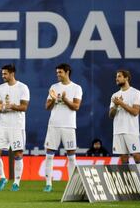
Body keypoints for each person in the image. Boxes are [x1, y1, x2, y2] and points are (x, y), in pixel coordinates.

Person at [108, 70, 140, 195]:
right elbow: (110, 115)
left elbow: (135, 112)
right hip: (118, 131)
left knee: (137, 156)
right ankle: (127, 187)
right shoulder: (114, 95)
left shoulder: (135, 93)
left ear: (126, 78)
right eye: (116, 76)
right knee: (123, 158)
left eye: (119, 76)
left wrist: (121, 103)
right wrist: (115, 106)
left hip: (131, 130)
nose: (117, 79)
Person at [43, 63, 82, 192]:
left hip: (68, 125)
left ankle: (71, 184)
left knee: (71, 155)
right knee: (49, 155)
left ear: (67, 72)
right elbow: (47, 107)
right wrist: (54, 99)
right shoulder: (54, 87)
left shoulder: (76, 88)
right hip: (53, 124)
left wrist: (64, 99)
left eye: (60, 72)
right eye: (57, 72)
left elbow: (76, 107)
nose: (58, 75)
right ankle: (48, 184)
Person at [0, 64, 30, 192]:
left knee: (18, 153)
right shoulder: (0, 88)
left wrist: (12, 106)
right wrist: (2, 107)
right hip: (2, 125)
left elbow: (24, 107)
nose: (3, 76)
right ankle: (2, 178)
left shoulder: (23, 87)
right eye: (2, 74)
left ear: (12, 73)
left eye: (5, 74)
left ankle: (17, 182)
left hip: (17, 126)